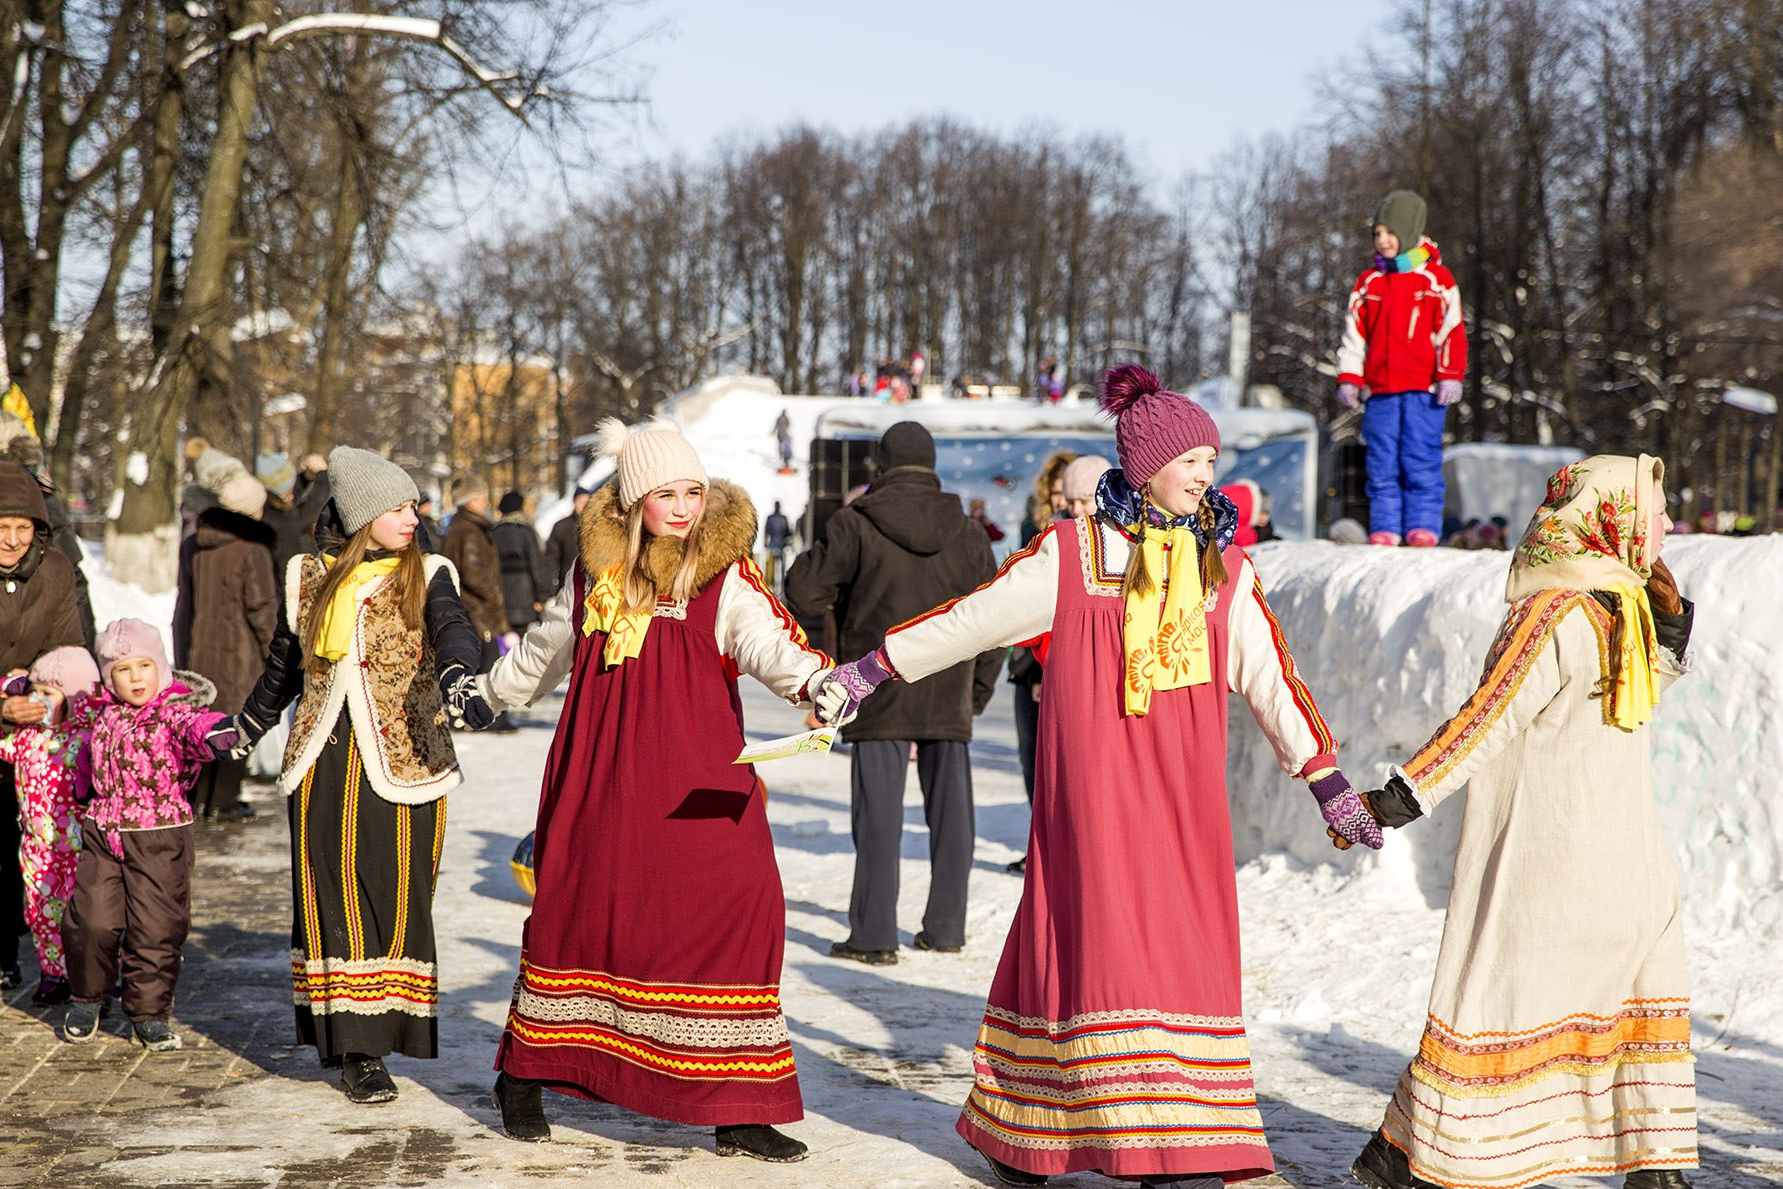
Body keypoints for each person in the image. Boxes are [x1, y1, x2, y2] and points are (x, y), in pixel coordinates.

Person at [814, 367, 1365, 1187]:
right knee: (1089, 950)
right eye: (1191, 460)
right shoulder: (1070, 557)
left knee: (1175, 952)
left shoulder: (1222, 571)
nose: (1206, 474)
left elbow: (1273, 682)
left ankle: (1173, 1134)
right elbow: (971, 620)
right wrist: (874, 667)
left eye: (1212, 459)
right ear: (1146, 467)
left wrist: (1324, 778)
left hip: (1183, 809)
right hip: (1093, 800)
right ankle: (1044, 1130)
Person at [1342, 454, 1700, 1189]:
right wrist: (1399, 796)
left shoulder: (1620, 599)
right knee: (1508, 996)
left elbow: (1629, 700)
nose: (1665, 522)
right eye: (1654, 509)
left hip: (1624, 852)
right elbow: (1488, 717)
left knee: (1635, 996)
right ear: (1610, 518)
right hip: (1551, 853)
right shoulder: (1551, 612)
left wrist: (1667, 626)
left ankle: (1655, 1163)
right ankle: (1414, 1153)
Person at [478, 418, 831, 1160]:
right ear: (633, 499)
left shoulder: (723, 571)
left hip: (700, 779)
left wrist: (817, 681)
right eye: (665, 493)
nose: (682, 507)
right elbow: (544, 650)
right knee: (579, 917)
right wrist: (485, 693)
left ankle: (735, 1101)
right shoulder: (592, 574)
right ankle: (527, 1071)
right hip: (602, 777)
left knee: (743, 906)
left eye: (693, 491)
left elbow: (768, 640)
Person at [224, 446, 491, 1103]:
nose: (413, 514)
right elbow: (284, 666)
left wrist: (459, 672)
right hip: (323, 758)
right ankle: (356, 1050)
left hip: (407, 758)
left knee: (399, 896)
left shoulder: (428, 571)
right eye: (398, 506)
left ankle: (384, 1027)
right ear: (362, 514)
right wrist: (245, 727)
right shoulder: (309, 577)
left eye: (413, 503)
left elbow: (454, 628)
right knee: (333, 898)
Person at [785, 421, 1003, 966]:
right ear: (931, 465)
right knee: (953, 818)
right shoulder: (971, 533)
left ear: (881, 465)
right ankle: (946, 928)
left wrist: (827, 538)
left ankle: (874, 935)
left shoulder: (855, 523)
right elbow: (997, 620)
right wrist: (974, 694)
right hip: (947, 694)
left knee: (877, 820)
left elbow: (803, 589)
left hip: (876, 688)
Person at [62, 619, 236, 1051]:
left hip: (160, 835)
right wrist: (83, 786)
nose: (136, 677)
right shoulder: (105, 715)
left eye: (144, 665)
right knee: (91, 921)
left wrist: (217, 732)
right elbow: (88, 756)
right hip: (104, 831)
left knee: (156, 928)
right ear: (109, 677)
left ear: (160, 667)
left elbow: (195, 728)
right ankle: (87, 997)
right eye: (123, 669)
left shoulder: (172, 713)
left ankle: (148, 1012)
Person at [1336, 190, 1469, 547]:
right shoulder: (1369, 284)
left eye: (1389, 233)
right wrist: (1350, 376)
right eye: (1377, 234)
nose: (1382, 241)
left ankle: (1422, 525)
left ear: (1409, 232)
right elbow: (1354, 336)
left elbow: (1451, 330)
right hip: (1380, 393)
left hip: (1423, 392)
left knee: (1420, 457)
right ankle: (1386, 526)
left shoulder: (1435, 280)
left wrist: (1450, 375)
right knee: (1381, 462)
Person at [0, 460, 84, 990]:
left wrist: (51, 699)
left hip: (34, 734)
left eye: (22, 527)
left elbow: (69, 652)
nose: (11, 540)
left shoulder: (54, 571)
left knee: (37, 840)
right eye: (0, 527)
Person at [173, 450, 277, 822]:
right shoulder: (253, 551)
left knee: (205, 725)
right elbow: (263, 609)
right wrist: (276, 654)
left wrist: (183, 655)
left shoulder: (197, 545)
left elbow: (185, 605)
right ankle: (224, 801)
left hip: (203, 652)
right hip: (242, 655)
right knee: (239, 727)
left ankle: (200, 798)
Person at [0, 646, 102, 1005]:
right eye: (36, 693)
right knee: (42, 913)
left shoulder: (85, 738)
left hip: (80, 848)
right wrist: (12, 688)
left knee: (86, 917)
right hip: (37, 848)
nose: (39, 701)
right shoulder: (26, 738)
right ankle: (54, 972)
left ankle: (93, 979)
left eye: (49, 695)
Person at [443, 476, 513, 730]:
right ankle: (482, 716)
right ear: (471, 501)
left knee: (482, 662)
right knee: (486, 665)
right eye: (482, 497)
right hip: (477, 610)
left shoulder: (464, 527)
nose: (486, 502)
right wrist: (493, 596)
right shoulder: (469, 530)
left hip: (473, 608)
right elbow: (475, 574)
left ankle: (475, 716)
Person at [493, 491, 549, 634]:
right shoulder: (526, 531)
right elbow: (537, 565)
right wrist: (541, 596)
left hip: (501, 593)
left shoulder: (494, 532)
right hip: (526, 593)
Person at [542, 486, 590, 596]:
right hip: (568, 584)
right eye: (580, 501)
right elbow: (551, 558)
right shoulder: (562, 527)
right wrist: (551, 586)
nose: (584, 505)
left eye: (587, 502)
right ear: (574, 502)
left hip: (593, 584)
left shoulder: (598, 526)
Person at [763, 500, 792, 586]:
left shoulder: (782, 518)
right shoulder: (772, 517)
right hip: (774, 542)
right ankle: (771, 581)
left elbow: (787, 531)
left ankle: (782, 580)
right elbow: (766, 530)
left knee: (781, 562)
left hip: (780, 542)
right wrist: (765, 542)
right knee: (772, 562)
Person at [774, 408, 795, 473]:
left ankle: (784, 458)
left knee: (784, 447)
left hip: (782, 434)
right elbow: (776, 425)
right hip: (781, 434)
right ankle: (782, 456)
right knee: (782, 446)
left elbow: (788, 425)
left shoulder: (783, 418)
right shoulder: (783, 418)